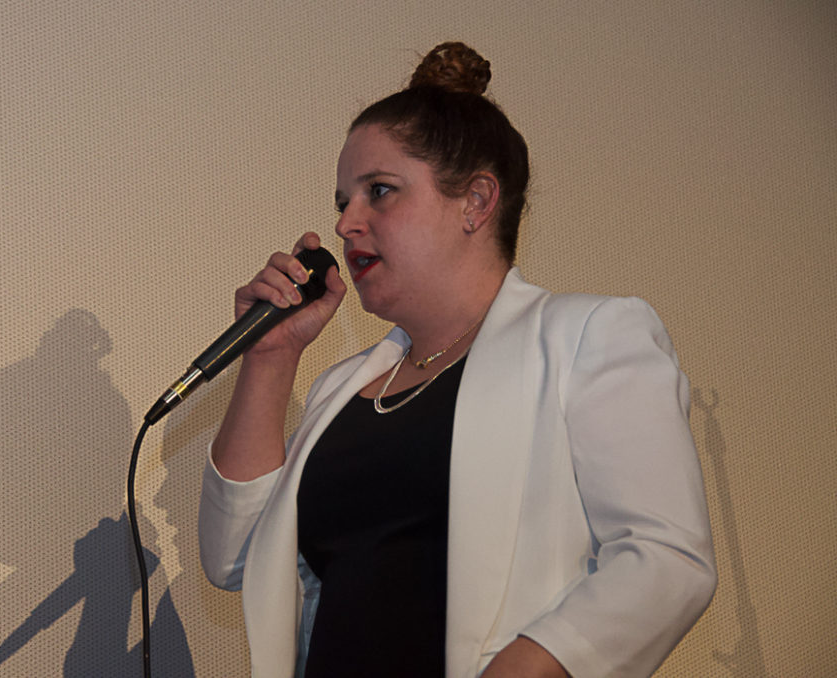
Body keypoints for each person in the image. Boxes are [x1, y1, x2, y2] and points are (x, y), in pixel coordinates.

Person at [198, 42, 716, 678]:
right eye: (342, 202)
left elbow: (666, 558)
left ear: (476, 201)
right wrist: (270, 359)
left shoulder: (587, 337)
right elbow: (238, 563)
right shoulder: (341, 390)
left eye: (378, 192)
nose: (346, 224)